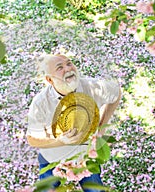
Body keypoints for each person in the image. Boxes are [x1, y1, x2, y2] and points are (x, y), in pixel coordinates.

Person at [26, 54, 121, 191]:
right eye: (60, 67)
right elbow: (32, 140)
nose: (68, 69)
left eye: (69, 63)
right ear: (49, 80)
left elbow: (116, 94)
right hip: (53, 160)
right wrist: (61, 141)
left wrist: (102, 127)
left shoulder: (93, 87)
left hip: (85, 158)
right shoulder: (41, 103)